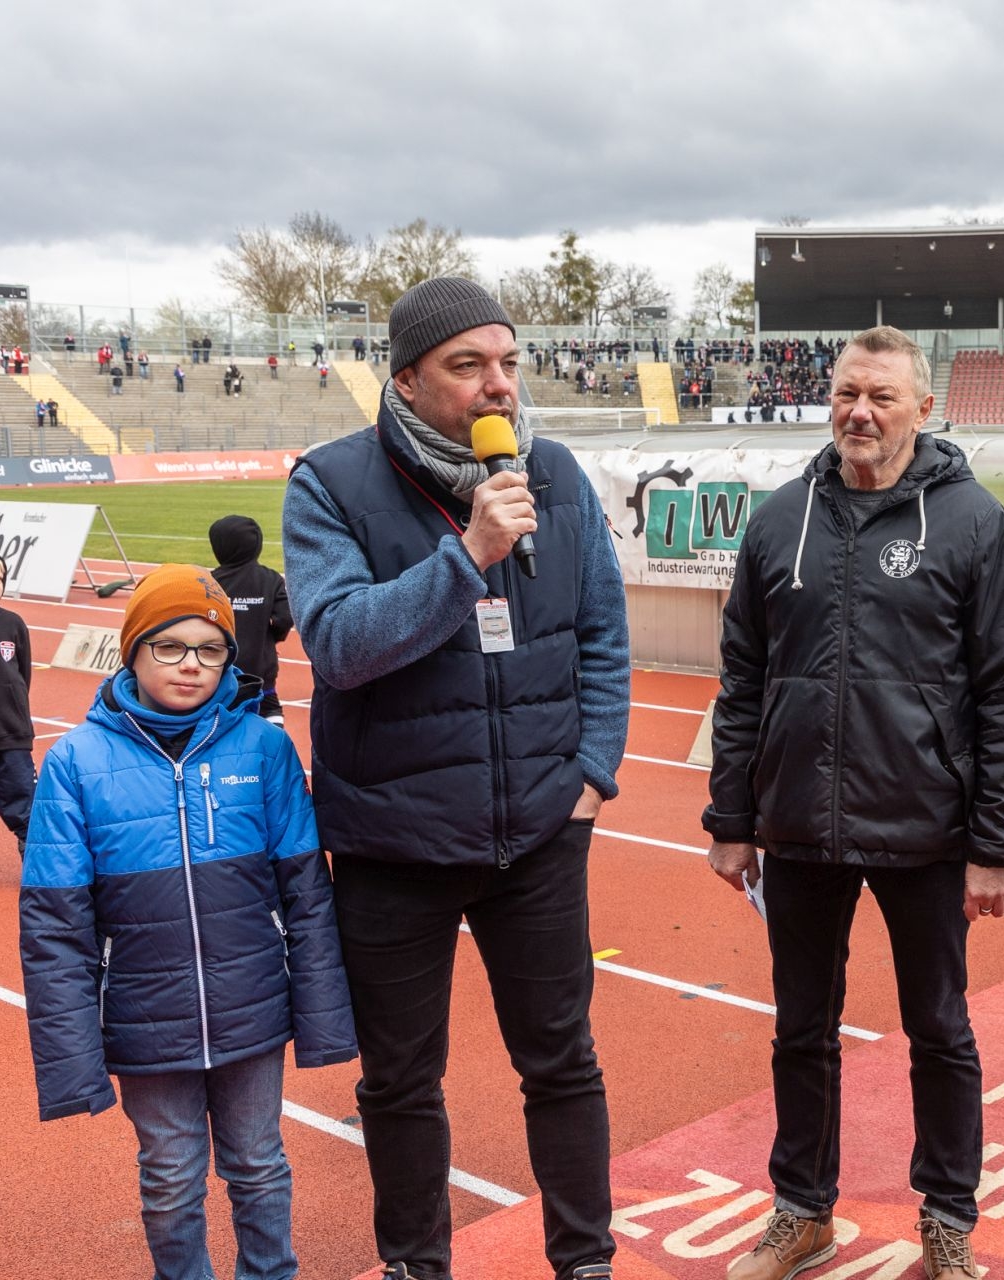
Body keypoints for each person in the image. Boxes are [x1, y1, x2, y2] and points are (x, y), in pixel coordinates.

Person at [283, 276, 628, 1280]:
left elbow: (601, 634)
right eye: (468, 365)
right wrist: (468, 551)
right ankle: (415, 1263)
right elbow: (339, 644)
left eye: (509, 363)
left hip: (540, 834)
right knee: (399, 1079)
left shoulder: (552, 473)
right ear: (406, 378)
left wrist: (592, 774)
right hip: (393, 843)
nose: (499, 386)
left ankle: (586, 1260)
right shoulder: (330, 483)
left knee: (563, 1061)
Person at [705, 326, 1004, 1280]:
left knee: (939, 1032)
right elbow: (742, 682)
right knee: (800, 1031)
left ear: (922, 409)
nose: (860, 412)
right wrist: (732, 820)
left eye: (882, 397)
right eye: (847, 393)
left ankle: (947, 1220)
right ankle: (802, 1212)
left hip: (926, 832)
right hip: (798, 830)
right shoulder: (781, 520)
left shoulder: (974, 522)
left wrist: (997, 845)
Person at [19, 563, 356, 1280]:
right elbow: (54, 927)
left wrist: (324, 1017)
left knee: (259, 1163)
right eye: (169, 646)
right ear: (132, 650)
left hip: (251, 1006)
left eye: (211, 648)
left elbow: (306, 893)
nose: (192, 665)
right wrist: (72, 1058)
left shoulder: (264, 749)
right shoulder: (75, 762)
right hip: (144, 1017)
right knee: (170, 1177)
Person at [209, 514, 293, 725]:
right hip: (260, 666)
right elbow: (285, 617)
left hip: (220, 668)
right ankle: (275, 740)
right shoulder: (271, 579)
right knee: (269, 707)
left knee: (218, 709)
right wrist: (271, 637)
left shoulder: (211, 582)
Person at [0, 556, 34, 852]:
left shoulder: (13, 624)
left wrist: (15, 708)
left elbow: (24, 675)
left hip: (10, 731)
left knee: (25, 804)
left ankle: (34, 857)